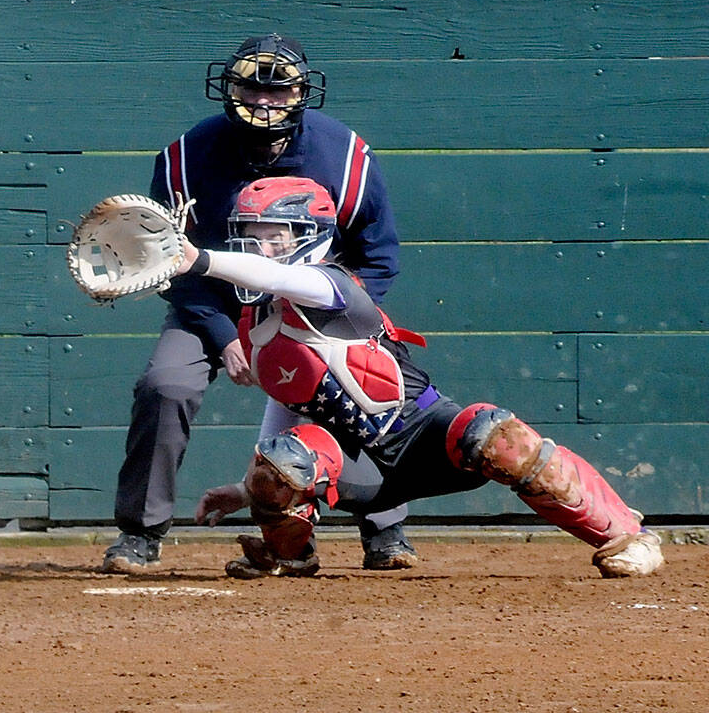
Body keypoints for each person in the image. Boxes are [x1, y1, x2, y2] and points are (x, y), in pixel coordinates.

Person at [188, 176, 664, 579]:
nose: (259, 247)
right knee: (279, 459)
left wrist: (195, 260)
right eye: (250, 234)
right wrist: (251, 487)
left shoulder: (332, 286)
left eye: (276, 236)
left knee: (495, 433)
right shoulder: (257, 326)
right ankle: (289, 555)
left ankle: (628, 536)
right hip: (363, 470)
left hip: (424, 440)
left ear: (313, 237)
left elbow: (280, 278)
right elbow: (287, 403)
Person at [102, 34, 418, 574]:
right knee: (166, 385)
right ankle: (140, 534)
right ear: (228, 91)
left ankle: (385, 530)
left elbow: (377, 254)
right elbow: (169, 262)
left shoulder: (344, 156)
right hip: (215, 303)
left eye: (280, 90)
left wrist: (341, 319)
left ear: (302, 94)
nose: (264, 101)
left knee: (363, 386)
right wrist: (225, 338)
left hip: (315, 306)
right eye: (251, 88)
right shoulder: (186, 158)